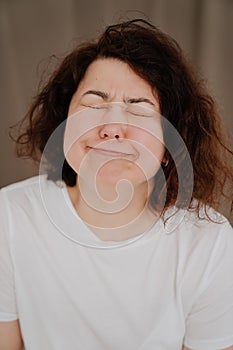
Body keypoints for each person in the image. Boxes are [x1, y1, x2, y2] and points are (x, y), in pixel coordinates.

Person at [0, 18, 233, 350]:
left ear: (170, 146)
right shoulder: (10, 217)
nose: (112, 127)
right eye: (94, 104)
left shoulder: (208, 244)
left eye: (139, 109)